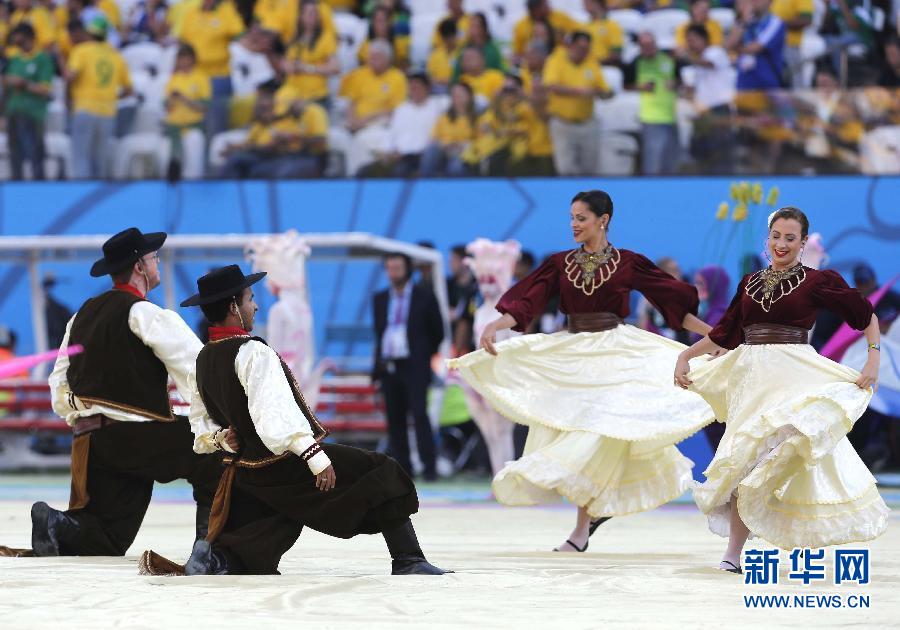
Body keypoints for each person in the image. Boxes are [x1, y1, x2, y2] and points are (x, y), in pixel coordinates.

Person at [449, 190, 716, 553]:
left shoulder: (628, 263)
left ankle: (580, 528)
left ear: (602, 220)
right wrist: (498, 323)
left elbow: (671, 305)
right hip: (573, 352)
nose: (574, 224)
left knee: (597, 430)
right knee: (576, 428)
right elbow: (531, 298)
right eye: (571, 218)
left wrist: (713, 335)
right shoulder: (559, 264)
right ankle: (586, 520)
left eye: (581, 218)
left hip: (616, 352)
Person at [150, 265, 450, 576]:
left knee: (271, 524)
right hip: (282, 462)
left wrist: (220, 440)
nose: (255, 306)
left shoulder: (204, 358)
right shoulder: (253, 352)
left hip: (247, 470)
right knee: (380, 470)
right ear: (232, 307)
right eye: (250, 298)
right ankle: (408, 559)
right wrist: (313, 455)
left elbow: (199, 420)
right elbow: (273, 415)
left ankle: (221, 559)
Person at [674, 207, 888, 573]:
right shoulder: (750, 282)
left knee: (786, 453)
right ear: (767, 238)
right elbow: (724, 332)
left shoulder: (817, 281)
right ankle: (733, 554)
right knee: (744, 459)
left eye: (791, 238)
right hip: (753, 378)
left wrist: (872, 358)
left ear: (804, 243)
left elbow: (865, 314)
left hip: (794, 374)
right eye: (776, 236)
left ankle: (798, 543)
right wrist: (686, 355)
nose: (782, 244)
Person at [20, 228, 222, 558]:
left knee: (107, 537)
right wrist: (218, 421)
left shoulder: (80, 316)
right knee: (217, 456)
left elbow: (58, 386)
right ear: (140, 267)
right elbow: (199, 373)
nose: (157, 262)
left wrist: (82, 411)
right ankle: (210, 550)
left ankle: (57, 523)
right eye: (153, 258)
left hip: (91, 443)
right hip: (137, 437)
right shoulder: (147, 314)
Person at [373, 253, 445, 481]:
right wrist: (376, 369)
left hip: (415, 365)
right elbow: (379, 334)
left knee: (419, 415)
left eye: (397, 267)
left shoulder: (424, 296)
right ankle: (403, 470)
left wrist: (422, 355)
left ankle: (429, 467)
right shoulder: (381, 298)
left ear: (407, 269)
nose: (393, 272)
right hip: (389, 364)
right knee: (395, 419)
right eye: (390, 268)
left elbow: (438, 331)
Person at [66, 16, 132, 179]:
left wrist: (68, 96)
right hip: (108, 112)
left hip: (84, 108)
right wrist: (112, 98)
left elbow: (71, 76)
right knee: (100, 161)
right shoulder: (116, 56)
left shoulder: (81, 50)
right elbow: (129, 90)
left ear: (89, 33)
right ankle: (99, 200)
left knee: (81, 158)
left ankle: (82, 197)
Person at [543, 31, 612, 176]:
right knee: (566, 168)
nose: (583, 52)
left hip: (587, 122)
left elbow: (604, 89)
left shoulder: (591, 63)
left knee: (589, 168)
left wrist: (601, 92)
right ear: (571, 46)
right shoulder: (556, 60)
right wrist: (578, 91)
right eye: (580, 48)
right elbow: (551, 86)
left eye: (586, 49)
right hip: (563, 123)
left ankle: (587, 198)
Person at [174, 0, 244, 141]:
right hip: (195, 77)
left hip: (219, 76)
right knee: (195, 124)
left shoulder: (226, 10)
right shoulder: (191, 13)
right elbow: (182, 43)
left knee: (216, 125)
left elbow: (239, 34)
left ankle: (214, 159)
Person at [338, 39, 408, 174]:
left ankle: (358, 177)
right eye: (371, 57)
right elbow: (350, 102)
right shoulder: (358, 75)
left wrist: (368, 119)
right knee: (335, 137)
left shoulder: (397, 78)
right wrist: (353, 121)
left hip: (380, 123)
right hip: (355, 123)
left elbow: (396, 110)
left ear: (388, 59)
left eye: (377, 57)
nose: (372, 60)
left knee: (363, 140)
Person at [359, 73, 443, 177]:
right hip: (400, 156)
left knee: (400, 171)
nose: (414, 92)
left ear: (427, 88)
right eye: (412, 88)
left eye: (417, 88)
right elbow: (392, 134)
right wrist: (388, 152)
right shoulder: (402, 109)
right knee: (363, 171)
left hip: (423, 156)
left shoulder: (437, 108)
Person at [681, 24, 736, 174]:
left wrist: (687, 57)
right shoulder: (696, 63)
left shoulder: (715, 52)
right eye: (688, 41)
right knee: (700, 153)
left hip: (719, 110)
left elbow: (709, 64)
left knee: (720, 154)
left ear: (703, 39)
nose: (689, 44)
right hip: (703, 113)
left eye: (692, 40)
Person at [3, 23, 53, 181]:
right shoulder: (14, 59)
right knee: (14, 154)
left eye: (17, 35)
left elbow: (45, 89)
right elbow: (6, 89)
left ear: (27, 36)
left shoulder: (42, 59)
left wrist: (23, 83)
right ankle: (16, 187)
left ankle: (39, 189)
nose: (14, 39)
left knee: (35, 154)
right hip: (13, 111)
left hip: (33, 113)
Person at [626, 31, 680, 176]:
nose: (648, 48)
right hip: (650, 118)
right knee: (653, 162)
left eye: (650, 44)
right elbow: (625, 86)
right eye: (644, 45)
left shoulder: (668, 60)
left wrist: (675, 84)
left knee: (670, 161)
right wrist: (641, 87)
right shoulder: (636, 63)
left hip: (670, 116)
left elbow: (679, 80)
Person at [164, 44, 210, 180]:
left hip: (193, 127)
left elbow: (204, 106)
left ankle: (194, 191)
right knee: (172, 164)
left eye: (186, 58)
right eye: (180, 59)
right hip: (174, 128)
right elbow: (167, 107)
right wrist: (172, 99)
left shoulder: (201, 78)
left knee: (194, 167)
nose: (183, 62)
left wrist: (184, 99)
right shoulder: (174, 79)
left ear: (192, 59)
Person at [283, 0, 340, 108]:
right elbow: (287, 66)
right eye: (309, 13)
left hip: (316, 97)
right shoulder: (294, 39)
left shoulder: (326, 38)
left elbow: (335, 67)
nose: (313, 16)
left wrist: (308, 68)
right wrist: (290, 66)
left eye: (315, 13)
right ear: (300, 16)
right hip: (293, 96)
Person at [419, 81, 477, 177]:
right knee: (431, 150)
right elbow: (433, 138)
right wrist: (445, 146)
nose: (457, 97)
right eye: (454, 95)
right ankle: (424, 183)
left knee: (455, 166)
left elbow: (480, 141)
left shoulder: (477, 118)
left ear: (469, 96)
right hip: (444, 151)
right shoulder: (444, 117)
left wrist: (462, 146)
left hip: (464, 153)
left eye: (460, 94)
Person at [512, 0, 579, 63]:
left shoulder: (560, 17)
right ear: (534, 9)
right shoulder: (521, 26)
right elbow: (517, 53)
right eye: (543, 5)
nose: (548, 6)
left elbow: (579, 32)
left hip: (559, 60)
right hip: (534, 64)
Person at [771, 0, 813, 88]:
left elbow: (806, 19)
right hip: (768, 47)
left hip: (790, 45)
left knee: (795, 86)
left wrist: (778, 25)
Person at [358, 5, 410, 69]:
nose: (380, 25)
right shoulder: (365, 46)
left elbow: (404, 69)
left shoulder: (401, 44)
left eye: (383, 20)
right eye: (377, 21)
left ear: (390, 22)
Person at [582, 0, 624, 66]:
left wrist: (597, 63)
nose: (584, 3)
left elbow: (616, 53)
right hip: (586, 66)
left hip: (605, 66)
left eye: (588, 1)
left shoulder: (612, 25)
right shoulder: (584, 27)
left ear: (598, 2)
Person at [428, 18, 459, 92]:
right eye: (446, 37)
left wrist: (449, 81)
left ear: (456, 35)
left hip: (457, 87)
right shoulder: (435, 54)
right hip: (438, 89)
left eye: (451, 36)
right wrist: (443, 81)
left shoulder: (462, 52)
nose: (449, 40)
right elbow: (430, 77)